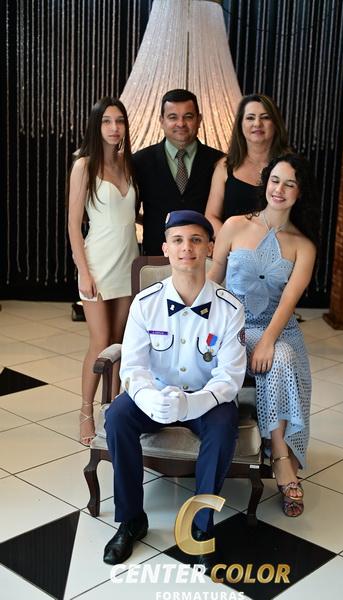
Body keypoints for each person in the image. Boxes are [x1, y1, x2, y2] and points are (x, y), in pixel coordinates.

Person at [103, 210, 246, 567]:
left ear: (210, 248)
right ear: (165, 248)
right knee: (118, 416)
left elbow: (229, 378)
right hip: (156, 394)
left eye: (196, 240)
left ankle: (201, 526)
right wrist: (149, 397)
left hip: (205, 398)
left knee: (224, 425)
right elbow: (133, 367)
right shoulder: (145, 303)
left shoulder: (229, 309)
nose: (187, 248)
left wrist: (191, 405)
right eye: (178, 241)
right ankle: (131, 519)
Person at [208, 154, 319, 517]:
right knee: (277, 356)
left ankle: (280, 454)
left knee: (282, 356)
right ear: (265, 183)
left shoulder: (304, 246)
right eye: (275, 180)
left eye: (290, 184)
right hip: (234, 327)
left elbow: (288, 301)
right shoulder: (234, 226)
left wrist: (269, 340)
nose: (279, 189)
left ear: (299, 192)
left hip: (278, 330)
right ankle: (281, 459)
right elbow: (213, 280)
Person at [68, 97, 139, 446]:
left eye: (119, 121)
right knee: (99, 342)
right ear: (96, 127)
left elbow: (128, 216)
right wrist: (83, 271)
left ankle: (111, 411)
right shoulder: (84, 165)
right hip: (97, 263)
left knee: (119, 343)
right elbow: (73, 224)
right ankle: (85, 412)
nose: (114, 128)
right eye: (107, 121)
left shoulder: (128, 165)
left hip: (129, 263)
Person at [132, 89, 224, 255]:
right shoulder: (140, 161)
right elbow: (130, 210)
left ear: (199, 120)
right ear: (161, 121)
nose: (181, 123)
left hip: (207, 259)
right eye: (173, 117)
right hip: (156, 256)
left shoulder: (219, 162)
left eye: (188, 117)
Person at [205, 94, 290, 236]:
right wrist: (233, 244)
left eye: (265, 117)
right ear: (240, 124)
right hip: (229, 247)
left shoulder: (290, 167)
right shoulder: (225, 166)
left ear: (275, 124)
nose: (257, 123)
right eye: (250, 118)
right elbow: (211, 217)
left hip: (277, 246)